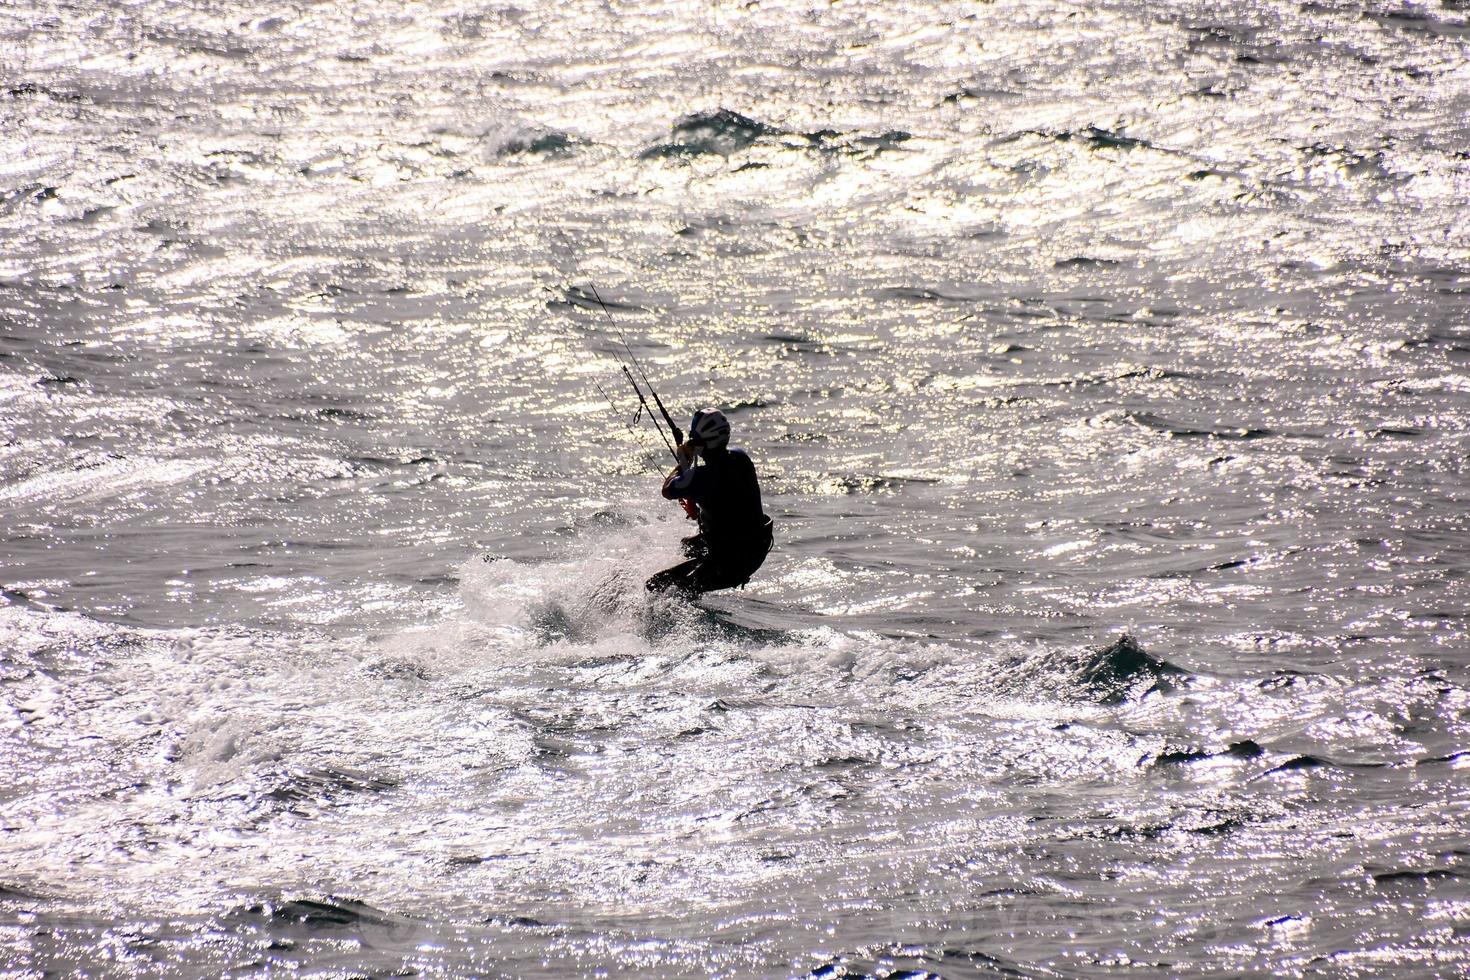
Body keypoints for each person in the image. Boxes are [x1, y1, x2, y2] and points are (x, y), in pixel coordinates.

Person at [645, 409, 774, 596]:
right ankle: (695, 580)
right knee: (687, 546)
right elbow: (724, 500)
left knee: (654, 586)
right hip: (754, 550)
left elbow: (667, 490)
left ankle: (686, 601)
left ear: (703, 443)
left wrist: (684, 461)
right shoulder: (741, 458)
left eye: (695, 441)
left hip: (730, 563)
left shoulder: (702, 477)